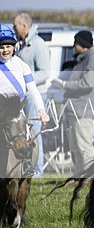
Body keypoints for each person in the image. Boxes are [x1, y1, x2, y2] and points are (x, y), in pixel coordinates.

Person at [51, 30, 94, 176]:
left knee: (84, 145)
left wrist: (65, 85)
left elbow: (88, 83)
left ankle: (89, 176)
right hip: (74, 108)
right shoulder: (81, 59)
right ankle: (79, 174)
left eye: (76, 43)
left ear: (83, 44)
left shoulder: (93, 60)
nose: (73, 46)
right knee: (75, 146)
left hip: (83, 109)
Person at [0, 24, 50, 177]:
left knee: (26, 134)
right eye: (1, 47)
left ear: (14, 47)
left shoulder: (22, 66)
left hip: (17, 111)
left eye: (8, 46)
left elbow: (33, 90)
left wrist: (42, 111)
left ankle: (27, 164)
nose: (5, 50)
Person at [13, 13, 51, 177]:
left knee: (35, 134)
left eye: (15, 26)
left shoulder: (38, 45)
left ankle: (38, 172)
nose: (13, 29)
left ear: (24, 27)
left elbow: (45, 73)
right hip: (21, 97)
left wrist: (25, 81)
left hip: (34, 97)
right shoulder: (20, 44)